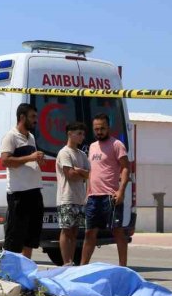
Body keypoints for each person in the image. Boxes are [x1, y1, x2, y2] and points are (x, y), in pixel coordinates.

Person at [81, 113, 129, 266]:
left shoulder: (117, 145)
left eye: (102, 128)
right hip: (93, 197)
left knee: (117, 231)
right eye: (96, 129)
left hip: (110, 197)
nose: (99, 132)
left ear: (108, 128)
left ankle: (123, 267)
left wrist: (121, 191)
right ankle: (82, 268)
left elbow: (126, 168)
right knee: (89, 232)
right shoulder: (92, 147)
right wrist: (87, 193)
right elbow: (91, 171)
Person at [0, 103, 45, 259]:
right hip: (19, 193)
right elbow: (5, 161)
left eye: (36, 117)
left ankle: (26, 268)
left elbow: (29, 159)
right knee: (15, 236)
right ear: (22, 117)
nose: (35, 120)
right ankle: (9, 269)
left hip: (35, 191)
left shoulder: (31, 137)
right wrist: (30, 157)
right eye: (32, 117)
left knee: (31, 236)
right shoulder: (10, 136)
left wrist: (38, 160)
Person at [55, 121, 90, 266]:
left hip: (80, 199)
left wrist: (79, 171)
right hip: (67, 198)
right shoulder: (64, 153)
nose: (82, 137)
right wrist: (80, 172)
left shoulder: (82, 154)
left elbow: (89, 174)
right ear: (70, 134)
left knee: (75, 231)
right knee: (67, 230)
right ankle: (66, 262)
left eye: (83, 134)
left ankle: (71, 261)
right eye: (79, 133)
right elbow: (70, 174)